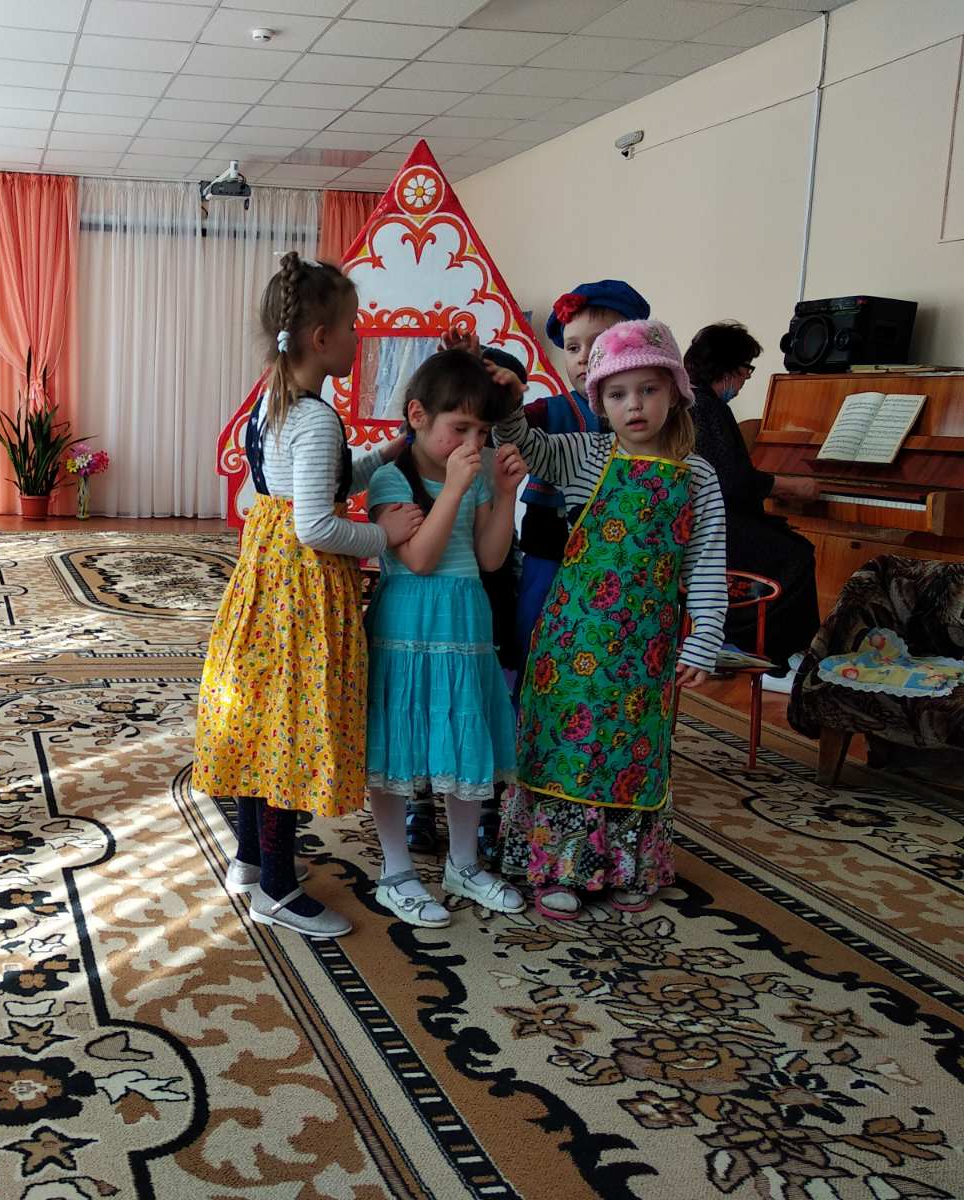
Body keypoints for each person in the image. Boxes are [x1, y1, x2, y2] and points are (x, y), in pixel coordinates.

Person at [195, 252, 421, 939]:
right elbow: (317, 524)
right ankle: (278, 889)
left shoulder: (272, 404)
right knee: (290, 730)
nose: (360, 336)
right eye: (353, 325)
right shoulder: (317, 417)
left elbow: (300, 485)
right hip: (301, 591)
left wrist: (385, 454)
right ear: (321, 337)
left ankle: (249, 858)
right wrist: (383, 535)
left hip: (266, 584)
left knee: (265, 719)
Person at [494, 319, 726, 920]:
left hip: (645, 653)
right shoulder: (585, 454)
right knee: (567, 748)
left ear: (675, 392)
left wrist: (703, 639)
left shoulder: (698, 476)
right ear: (600, 401)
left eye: (648, 390)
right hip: (571, 644)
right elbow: (524, 442)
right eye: (618, 394)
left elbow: (706, 564)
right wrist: (508, 400)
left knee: (630, 754)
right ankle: (561, 867)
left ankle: (627, 864)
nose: (634, 405)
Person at [365, 349, 529, 926]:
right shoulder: (390, 477)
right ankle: (396, 871)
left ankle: (463, 864)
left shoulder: (475, 475)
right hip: (406, 628)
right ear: (418, 416)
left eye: (481, 432)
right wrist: (456, 489)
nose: (472, 443)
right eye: (460, 428)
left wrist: (503, 494)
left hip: (466, 624)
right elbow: (421, 558)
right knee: (397, 740)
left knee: (465, 736)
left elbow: (490, 557)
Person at [515, 281, 651, 684]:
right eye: (572, 347)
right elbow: (505, 425)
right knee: (537, 635)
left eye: (598, 342)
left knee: (607, 648)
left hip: (620, 559)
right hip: (549, 546)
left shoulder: (651, 419)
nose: (584, 356)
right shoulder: (551, 410)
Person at [685, 321, 821, 690]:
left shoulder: (693, 401)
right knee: (797, 555)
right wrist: (790, 485)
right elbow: (733, 481)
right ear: (727, 368)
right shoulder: (707, 407)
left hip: (701, 523)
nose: (746, 377)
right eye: (746, 368)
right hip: (712, 529)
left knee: (785, 542)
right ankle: (777, 660)